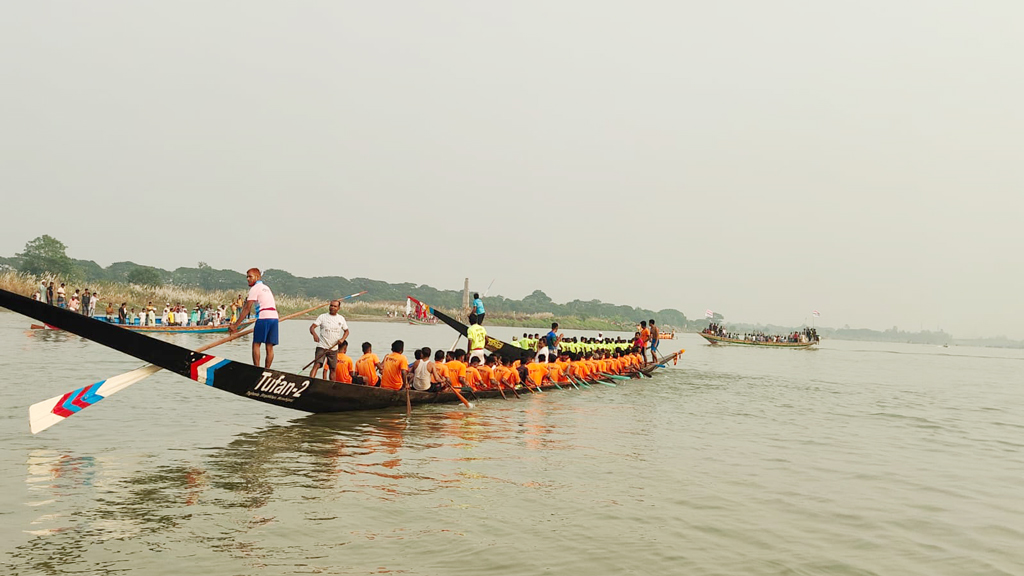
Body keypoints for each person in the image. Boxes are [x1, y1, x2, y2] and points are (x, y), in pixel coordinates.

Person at [230, 268, 279, 368]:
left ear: (257, 277)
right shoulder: (266, 287)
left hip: (264, 317)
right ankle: (267, 370)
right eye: (247, 277)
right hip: (274, 318)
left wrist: (235, 325)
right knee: (269, 347)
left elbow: (247, 308)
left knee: (256, 344)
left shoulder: (255, 288)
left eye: (250, 276)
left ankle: (257, 369)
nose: (248, 279)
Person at [309, 299, 350, 380]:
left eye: (335, 306)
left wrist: (342, 339)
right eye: (331, 305)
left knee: (333, 368)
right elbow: (312, 327)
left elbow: (347, 331)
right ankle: (310, 382)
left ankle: (332, 386)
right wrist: (314, 335)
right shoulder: (322, 317)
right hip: (322, 346)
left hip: (333, 348)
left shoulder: (341, 319)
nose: (332, 307)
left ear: (338, 308)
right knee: (317, 364)